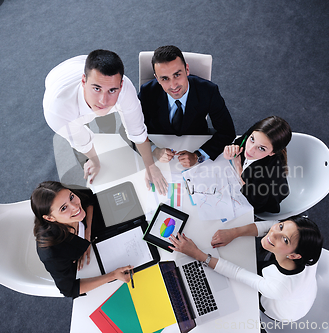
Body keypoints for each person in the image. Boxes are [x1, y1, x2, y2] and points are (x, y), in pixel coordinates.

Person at [43, 49, 167, 195]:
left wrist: (150, 166)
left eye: (112, 91)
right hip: (58, 77)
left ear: (120, 86)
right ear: (83, 81)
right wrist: (95, 161)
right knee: (84, 134)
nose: (104, 100)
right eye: (97, 89)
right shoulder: (58, 111)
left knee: (108, 121)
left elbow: (137, 130)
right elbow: (82, 142)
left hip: (82, 63)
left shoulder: (125, 88)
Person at [169, 215, 323, 322]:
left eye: (284, 239)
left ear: (295, 256)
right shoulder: (308, 247)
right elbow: (272, 225)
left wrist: (197, 254)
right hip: (303, 290)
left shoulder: (278, 288)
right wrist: (234, 232)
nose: (273, 233)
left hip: (283, 308)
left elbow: (238, 273)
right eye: (281, 226)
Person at [138, 45, 236, 168]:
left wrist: (198, 155)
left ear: (187, 70)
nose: (173, 86)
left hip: (196, 143)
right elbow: (131, 129)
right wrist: (154, 150)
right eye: (164, 78)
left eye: (177, 75)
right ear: (157, 78)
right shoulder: (148, 92)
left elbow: (227, 132)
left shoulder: (208, 91)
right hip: (159, 151)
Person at [31, 181, 132, 298]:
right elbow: (69, 289)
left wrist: (87, 233)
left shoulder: (66, 193)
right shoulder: (52, 253)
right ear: (50, 218)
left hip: (96, 230)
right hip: (88, 266)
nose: (75, 207)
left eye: (72, 197)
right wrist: (113, 275)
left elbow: (88, 196)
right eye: (64, 208)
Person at [224, 116, 292, 214]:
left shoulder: (266, 174)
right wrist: (231, 150)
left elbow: (255, 204)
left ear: (272, 153)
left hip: (264, 200)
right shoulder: (255, 134)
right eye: (252, 139)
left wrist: (239, 170)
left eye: (261, 148)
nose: (250, 149)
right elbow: (239, 142)